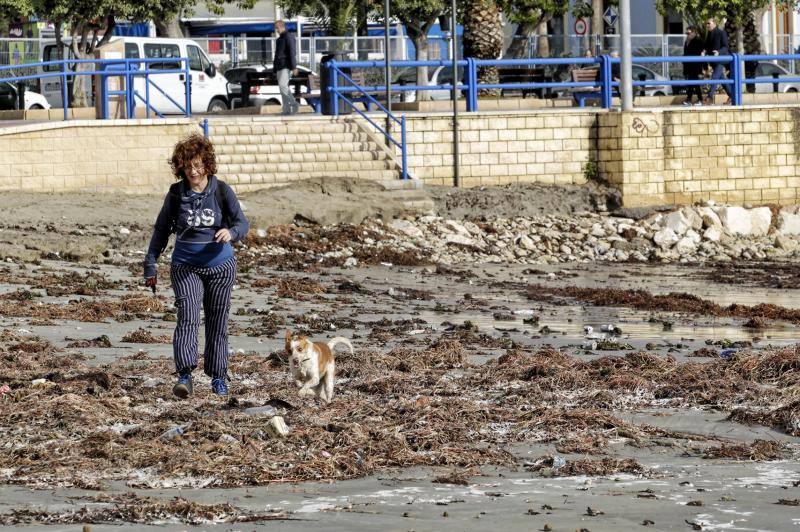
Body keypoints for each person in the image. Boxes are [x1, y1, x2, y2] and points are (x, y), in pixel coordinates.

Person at [143, 134, 249, 399]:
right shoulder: (176, 193)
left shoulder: (222, 190)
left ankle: (218, 377)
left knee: (217, 322)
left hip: (220, 266)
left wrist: (230, 233)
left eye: (198, 165)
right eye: (188, 166)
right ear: (181, 167)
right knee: (188, 318)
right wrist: (150, 263)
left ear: (207, 165)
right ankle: (185, 376)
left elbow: (242, 223)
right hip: (185, 266)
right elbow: (161, 230)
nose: (193, 171)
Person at [702, 18, 731, 105]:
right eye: (706, 23)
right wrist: (704, 51)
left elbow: (726, 47)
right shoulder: (709, 34)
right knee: (722, 80)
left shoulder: (721, 32)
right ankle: (732, 96)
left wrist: (719, 52)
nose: (707, 25)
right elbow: (707, 46)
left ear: (714, 24)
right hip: (714, 60)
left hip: (721, 60)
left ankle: (709, 97)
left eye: (708, 23)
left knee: (714, 77)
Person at [274, 20, 299, 115]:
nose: (276, 30)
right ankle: (286, 110)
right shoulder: (279, 40)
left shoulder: (289, 36)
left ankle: (294, 104)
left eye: (277, 28)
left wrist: (294, 67)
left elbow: (292, 52)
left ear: (281, 26)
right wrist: (274, 69)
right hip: (279, 66)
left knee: (283, 86)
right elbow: (276, 55)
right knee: (282, 89)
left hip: (286, 66)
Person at [682, 26, 705, 105]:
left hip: (695, 65)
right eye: (686, 33)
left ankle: (690, 99)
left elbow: (702, 51)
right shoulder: (687, 41)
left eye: (689, 33)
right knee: (694, 83)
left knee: (693, 82)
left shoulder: (698, 41)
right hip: (688, 65)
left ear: (694, 33)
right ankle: (698, 99)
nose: (687, 35)